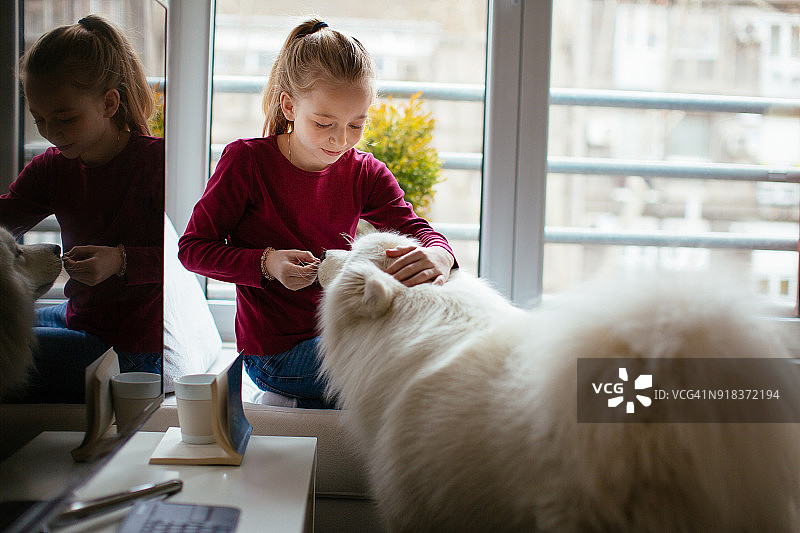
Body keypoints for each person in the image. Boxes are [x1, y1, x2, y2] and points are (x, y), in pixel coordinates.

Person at [178, 19, 456, 409]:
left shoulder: (364, 171)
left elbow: (416, 229)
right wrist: (265, 262)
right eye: (324, 123)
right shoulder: (247, 162)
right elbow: (192, 249)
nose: (340, 139)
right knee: (427, 375)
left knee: (451, 352)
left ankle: (567, 412)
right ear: (289, 105)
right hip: (274, 355)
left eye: (356, 124)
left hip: (344, 332)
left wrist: (440, 255)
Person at [0, 15, 164, 403]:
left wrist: (120, 261)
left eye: (65, 118)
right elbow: (6, 218)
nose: (51, 132)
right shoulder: (53, 167)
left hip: (132, 350)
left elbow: (186, 256)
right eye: (39, 119)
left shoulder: (155, 164)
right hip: (79, 316)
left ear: (109, 103)